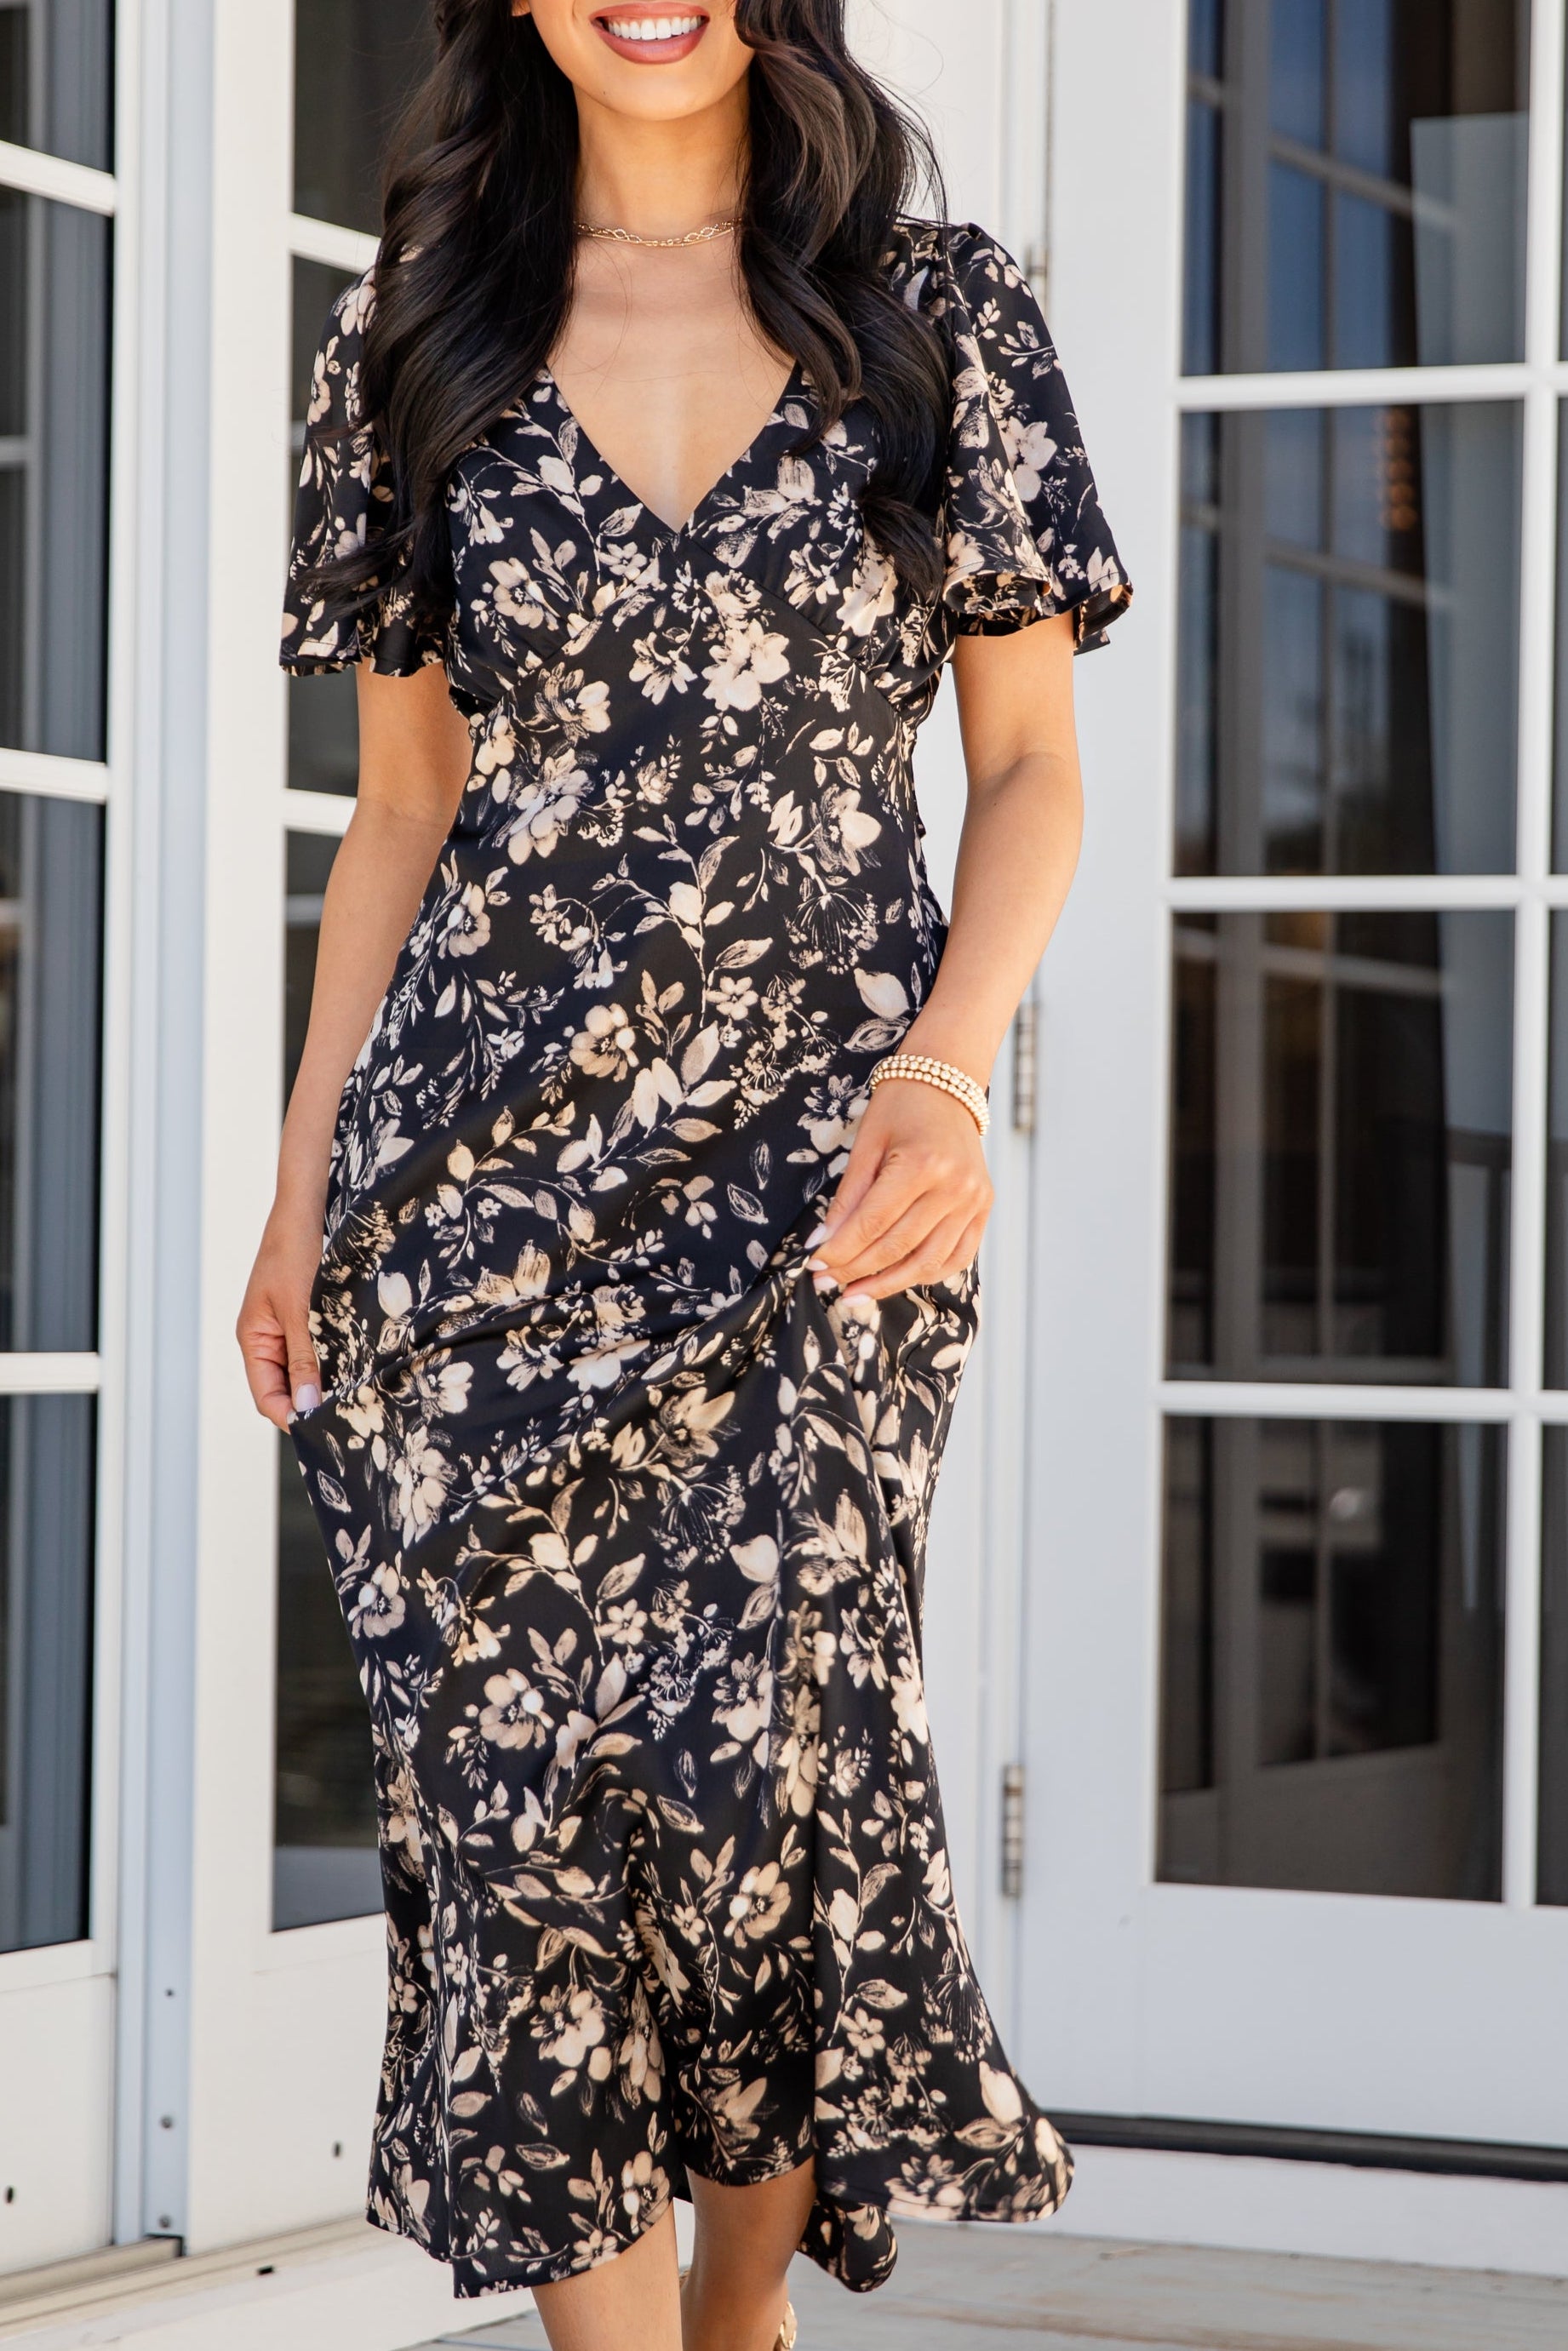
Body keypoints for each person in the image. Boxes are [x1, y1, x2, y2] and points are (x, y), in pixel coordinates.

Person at [237, 3, 1130, 2346]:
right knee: (518, 1813)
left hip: (819, 1185)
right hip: (467, 1206)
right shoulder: (413, 326)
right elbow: (407, 811)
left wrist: (946, 1070)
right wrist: (302, 1172)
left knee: (777, 1797)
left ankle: (738, 2318)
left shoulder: (933, 310)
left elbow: (1029, 767)